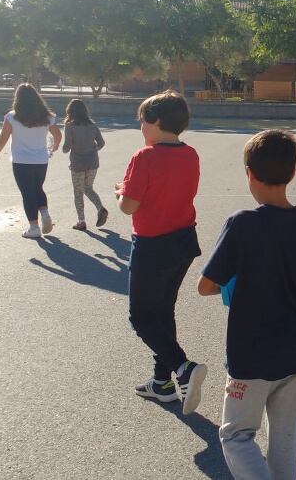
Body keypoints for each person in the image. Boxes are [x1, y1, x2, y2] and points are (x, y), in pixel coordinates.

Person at [199, 130, 296, 480]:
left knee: (236, 435)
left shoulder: (242, 223)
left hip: (250, 352)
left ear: (249, 173)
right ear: (293, 173)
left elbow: (206, 286)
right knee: (286, 438)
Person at [117, 91, 206, 415]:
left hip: (152, 244)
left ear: (155, 121)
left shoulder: (145, 156)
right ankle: (162, 381)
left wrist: (121, 194)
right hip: (182, 241)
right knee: (163, 310)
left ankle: (182, 368)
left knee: (141, 317)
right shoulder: (191, 154)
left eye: (142, 120)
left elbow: (129, 206)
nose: (141, 127)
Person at [0, 83, 62, 238]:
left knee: (27, 193)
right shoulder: (47, 117)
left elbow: (3, 137)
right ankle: (45, 213)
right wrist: (53, 147)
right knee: (38, 187)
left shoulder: (12, 117)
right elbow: (58, 135)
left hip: (21, 160)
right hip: (41, 160)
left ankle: (34, 227)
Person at [61, 99, 108, 231]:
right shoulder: (92, 125)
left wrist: (62, 148)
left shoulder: (69, 126)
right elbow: (102, 142)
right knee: (88, 188)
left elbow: (67, 146)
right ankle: (100, 208)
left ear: (70, 111)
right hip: (93, 161)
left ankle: (81, 221)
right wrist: (92, 150)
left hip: (78, 163)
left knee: (78, 192)